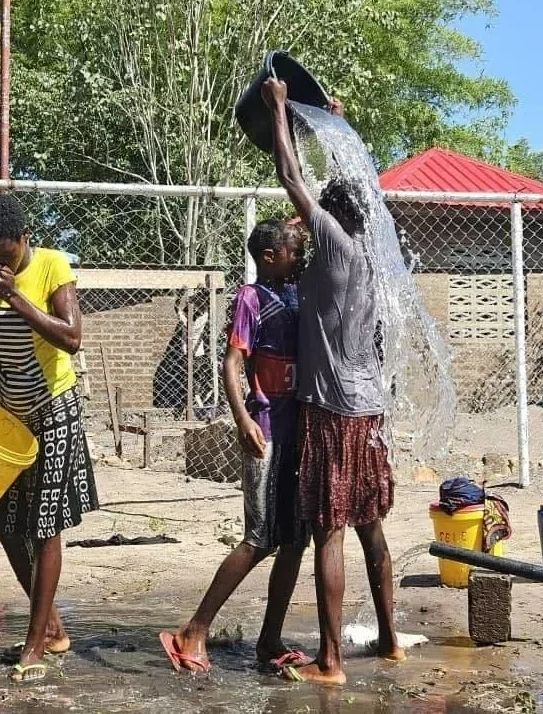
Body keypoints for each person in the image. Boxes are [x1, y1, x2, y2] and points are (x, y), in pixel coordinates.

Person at [261, 78, 405, 685]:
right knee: (371, 527)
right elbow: (344, 183)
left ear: (330, 218)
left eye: (316, 213)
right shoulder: (371, 252)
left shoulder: (335, 248)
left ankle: (331, 662)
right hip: (369, 410)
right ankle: (391, 641)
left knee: (328, 533)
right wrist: (335, 123)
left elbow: (291, 178)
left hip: (331, 411)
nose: (304, 221)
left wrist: (278, 111)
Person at [0, 193, 97, 683]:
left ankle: (35, 646)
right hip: (9, 410)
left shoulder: (53, 266)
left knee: (44, 525)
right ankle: (52, 629)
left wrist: (16, 294)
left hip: (55, 408)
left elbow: (71, 338)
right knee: (5, 523)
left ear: (23, 238)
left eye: (4, 255)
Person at [159, 220, 310, 674]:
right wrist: (242, 418)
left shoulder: (298, 291)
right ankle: (194, 630)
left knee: (295, 541)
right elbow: (232, 363)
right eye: (291, 251)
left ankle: (269, 638)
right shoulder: (251, 298)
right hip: (264, 430)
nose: (299, 257)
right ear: (269, 257)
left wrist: (303, 224)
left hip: (298, 433)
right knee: (260, 538)